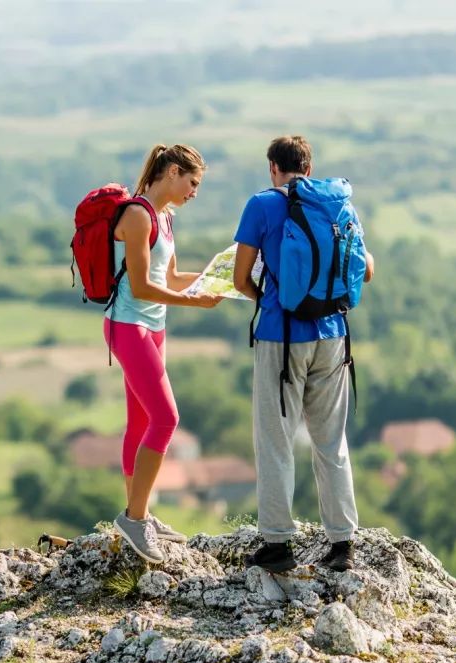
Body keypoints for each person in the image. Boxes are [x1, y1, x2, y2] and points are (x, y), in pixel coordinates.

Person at [232, 135, 375, 573]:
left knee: (276, 441)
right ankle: (343, 544)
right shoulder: (336, 204)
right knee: (331, 441)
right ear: (309, 170)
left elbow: (240, 279)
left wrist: (271, 300)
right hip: (333, 333)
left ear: (273, 167)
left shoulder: (261, 205)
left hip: (282, 334)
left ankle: (277, 544)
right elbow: (366, 269)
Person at [107, 143, 222, 564]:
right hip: (129, 326)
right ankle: (134, 520)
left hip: (154, 326)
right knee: (166, 418)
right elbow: (140, 287)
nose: (195, 192)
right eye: (192, 183)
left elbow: (170, 276)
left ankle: (141, 512)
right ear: (172, 172)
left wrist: (219, 279)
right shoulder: (138, 216)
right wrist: (195, 302)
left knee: (141, 421)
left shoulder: (166, 219)